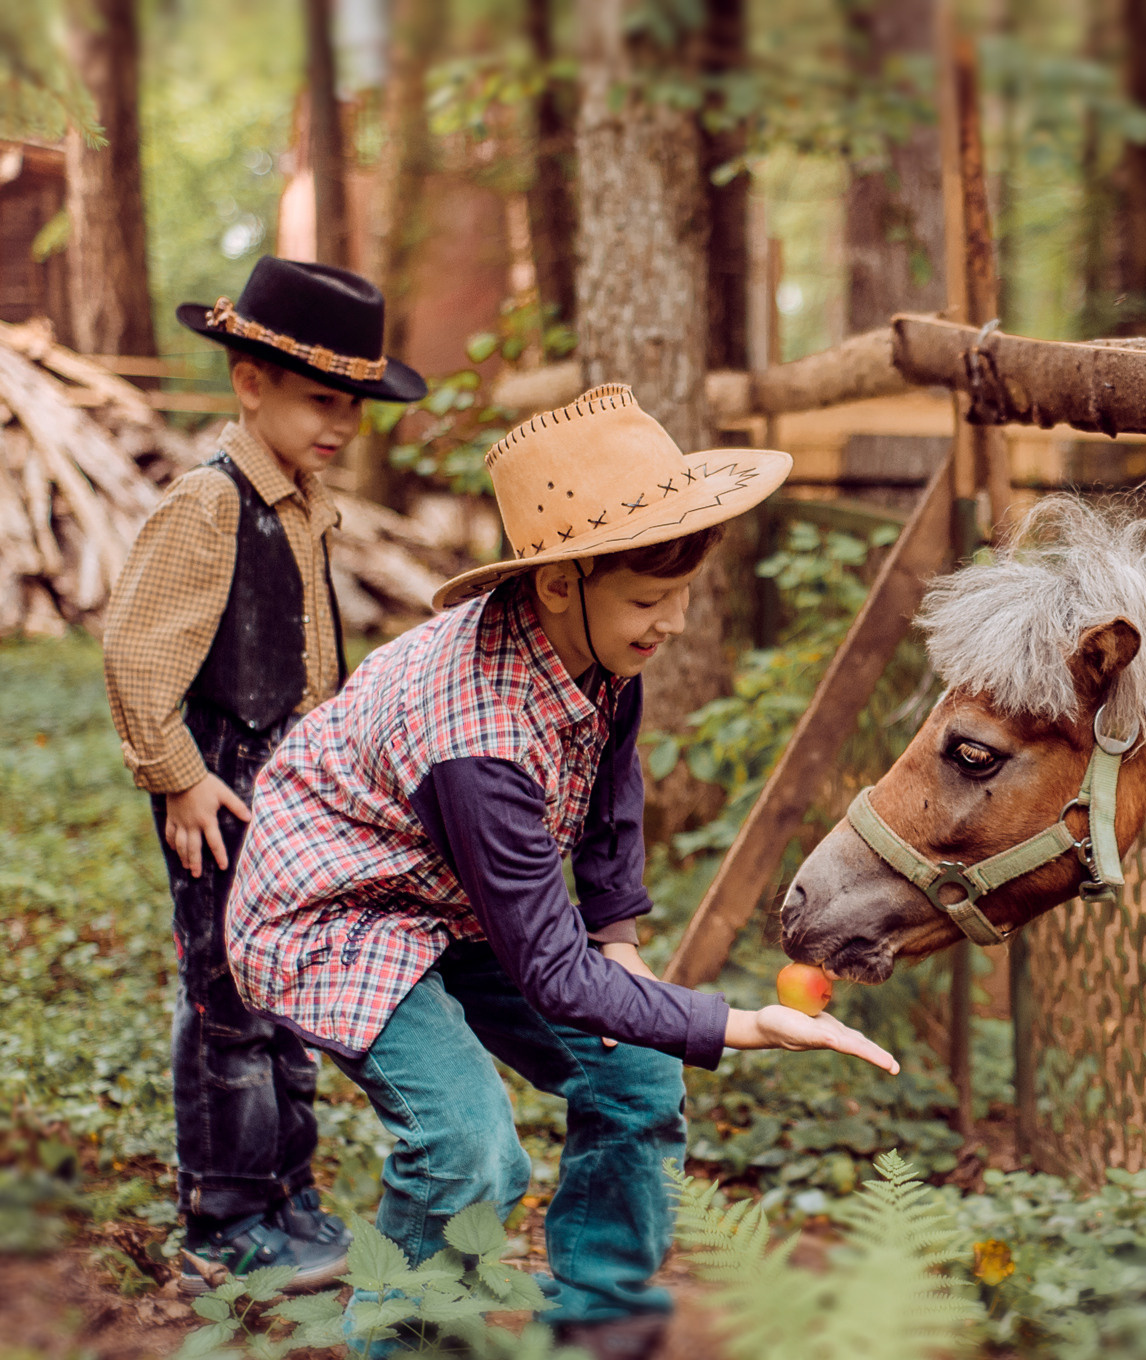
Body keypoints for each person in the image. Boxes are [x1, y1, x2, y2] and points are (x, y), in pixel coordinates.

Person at [224, 384, 896, 1359]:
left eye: (680, 596)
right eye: (646, 599)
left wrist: (618, 937)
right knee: (467, 1152)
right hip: (338, 909)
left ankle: (597, 1321)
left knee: (635, 1082)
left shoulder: (598, 643)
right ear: (556, 581)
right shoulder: (479, 738)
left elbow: (609, 792)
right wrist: (742, 1023)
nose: (668, 623)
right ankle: (403, 1343)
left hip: (452, 896)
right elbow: (548, 969)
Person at [103, 256, 427, 1294]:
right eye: (319, 399)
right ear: (251, 382)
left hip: (290, 797)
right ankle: (226, 1217)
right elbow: (138, 654)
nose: (341, 423)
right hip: (225, 793)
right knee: (228, 1001)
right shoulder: (208, 504)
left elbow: (310, 659)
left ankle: (286, 1193)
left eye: (354, 406)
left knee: (286, 993)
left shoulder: (302, 501)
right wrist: (180, 777)